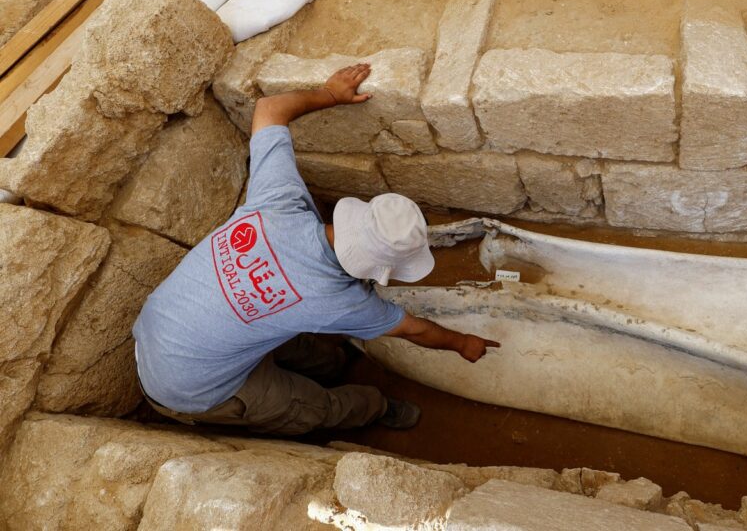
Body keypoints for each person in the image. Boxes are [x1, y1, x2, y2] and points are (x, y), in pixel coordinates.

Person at [132, 63, 500, 435]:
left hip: (160, 326)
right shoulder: (335, 300)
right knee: (310, 407)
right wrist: (462, 343)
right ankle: (376, 407)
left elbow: (269, 109)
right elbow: (414, 331)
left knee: (291, 330)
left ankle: (330, 362)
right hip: (189, 387)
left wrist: (329, 95)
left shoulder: (276, 202)